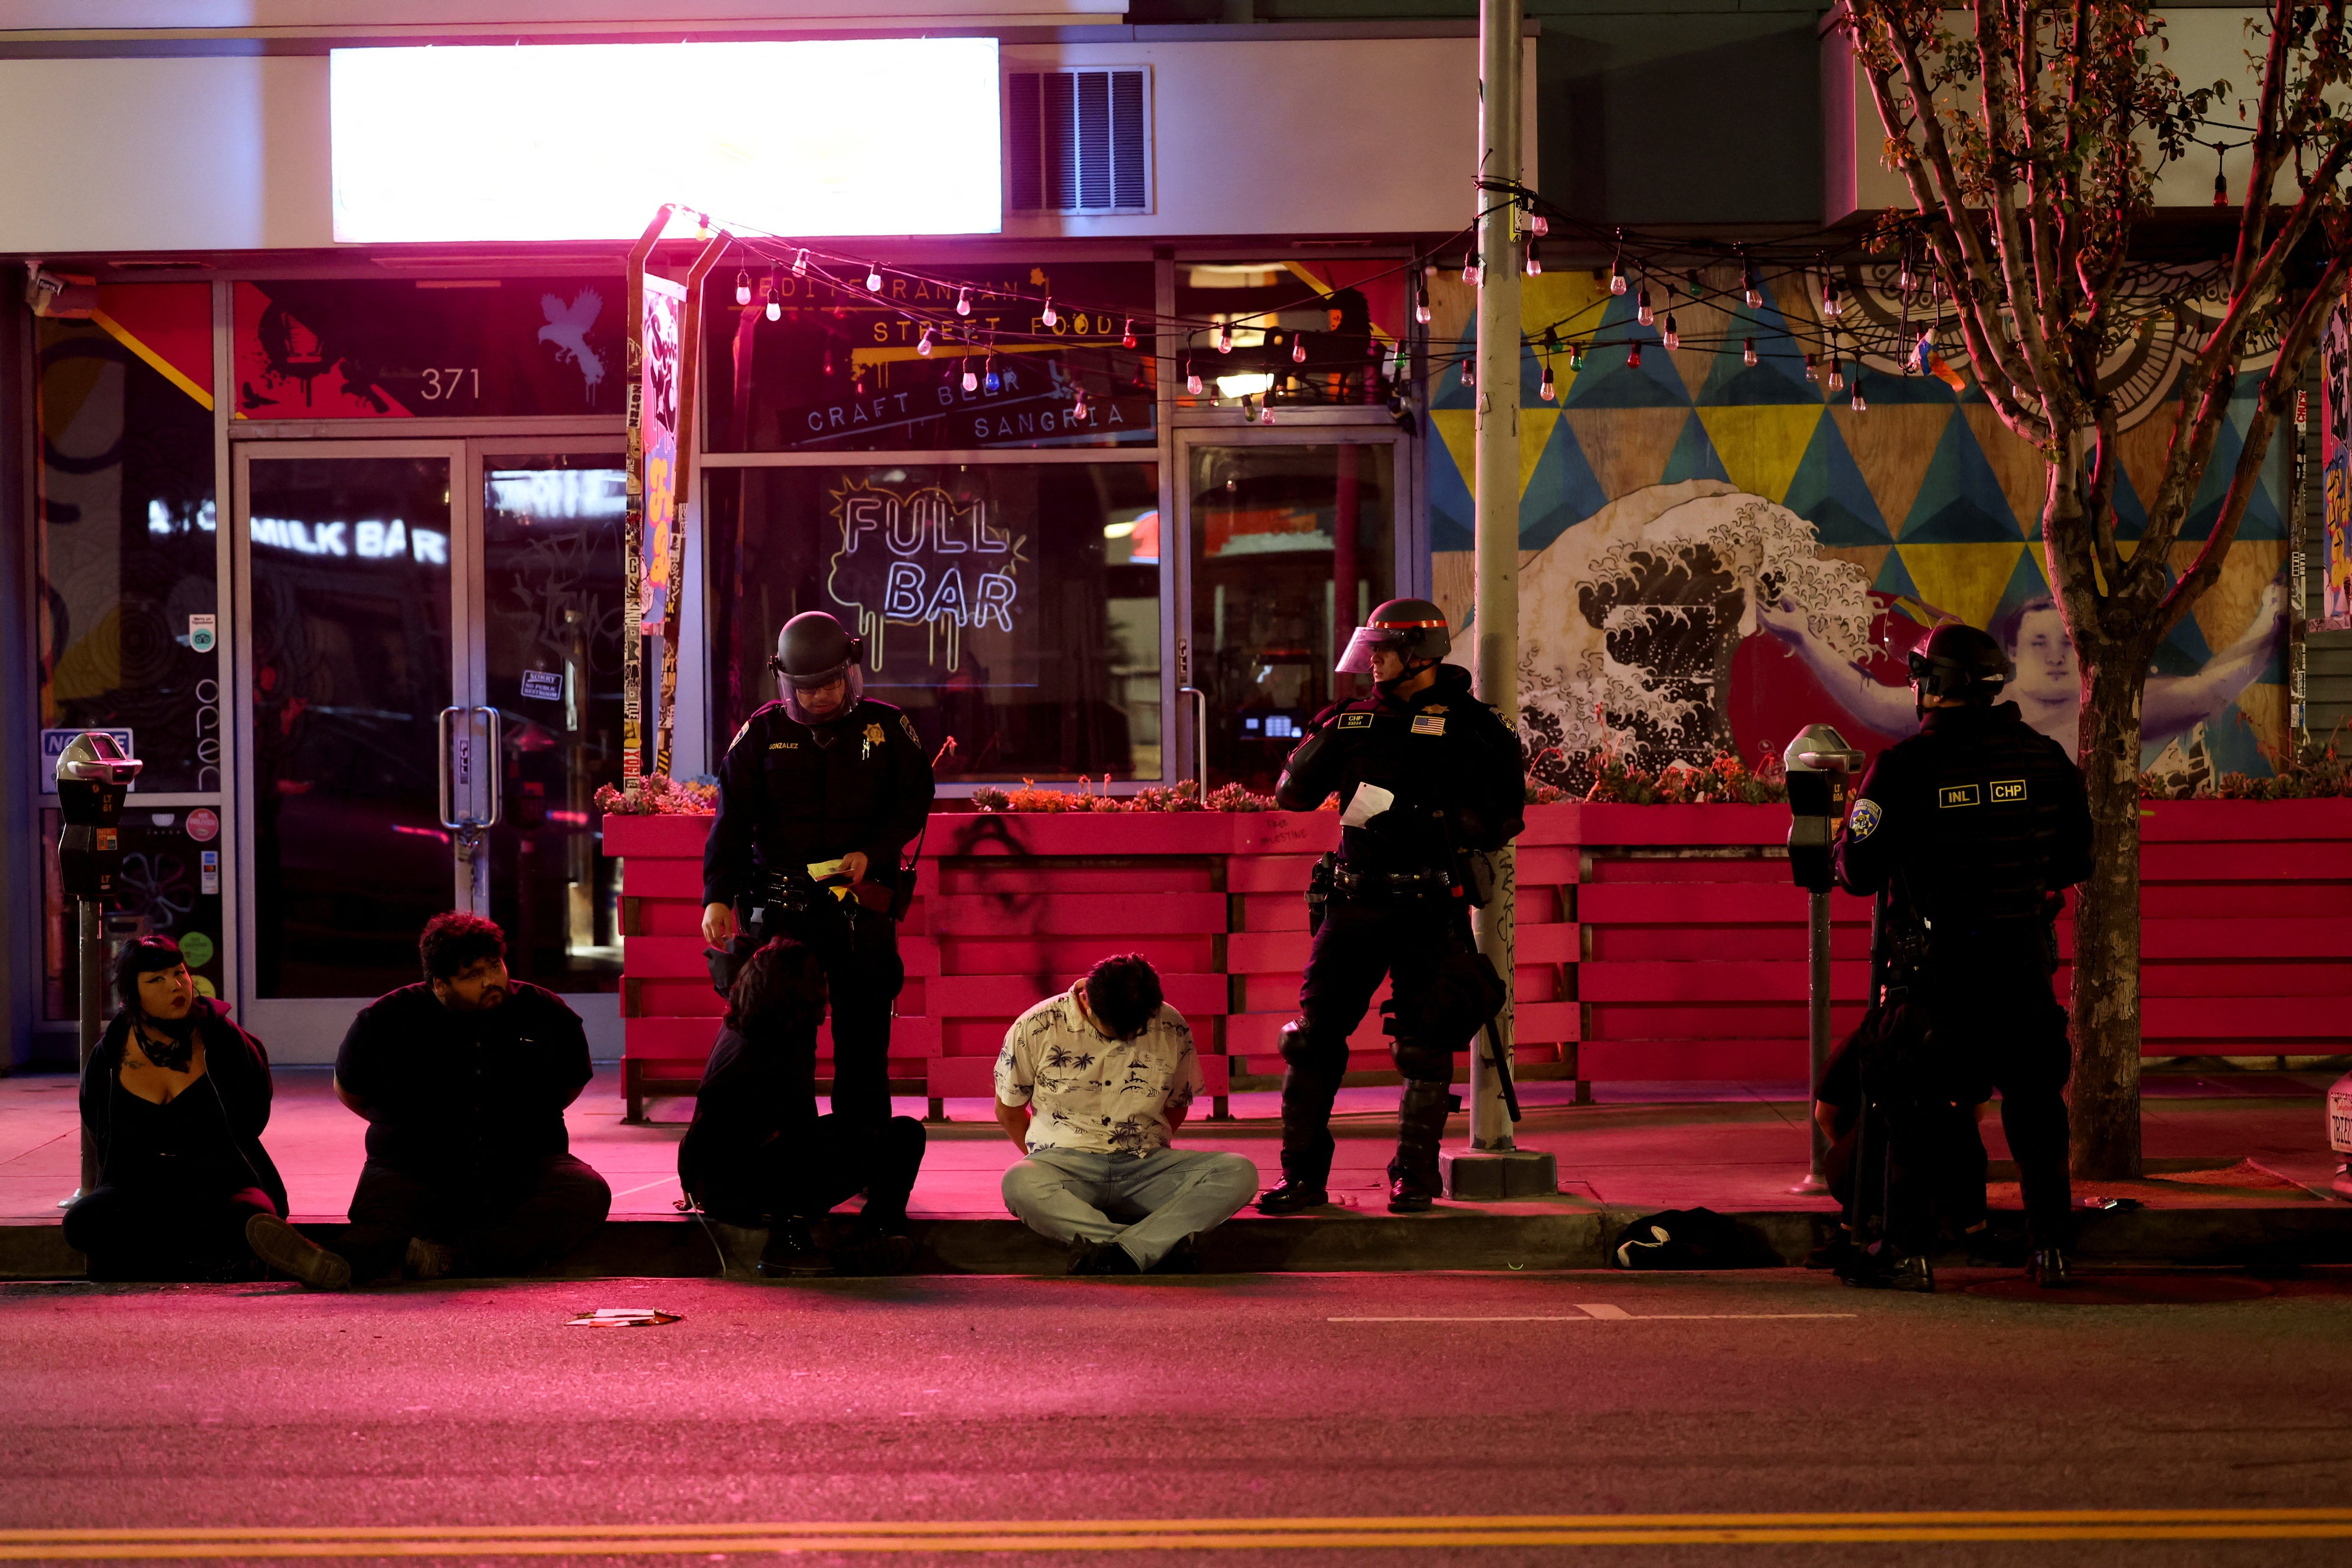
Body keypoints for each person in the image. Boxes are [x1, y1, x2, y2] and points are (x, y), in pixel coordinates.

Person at [1833, 621, 2093, 1291]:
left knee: (1910, 1104)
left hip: (1934, 981)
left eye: (1921, 677)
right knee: (2037, 1110)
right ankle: (2053, 1250)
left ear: (1936, 686)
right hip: (2022, 974)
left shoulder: (1901, 768)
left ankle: (1907, 1251)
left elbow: (1858, 871)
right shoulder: (2045, 760)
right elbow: (2076, 858)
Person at [1256, 599, 1527, 1216]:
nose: (1372, 660)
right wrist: (1322, 749)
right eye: (1372, 648)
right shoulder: (1353, 720)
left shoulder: (1474, 729)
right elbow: (1293, 795)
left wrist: (1427, 815)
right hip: (1353, 900)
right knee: (1311, 1039)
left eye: (1384, 649)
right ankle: (1301, 1178)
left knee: (1425, 1044)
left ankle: (1414, 1175)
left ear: (1420, 654)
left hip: (1431, 901)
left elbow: (1505, 816)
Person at [703, 609, 935, 1123]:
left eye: (829, 684)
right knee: (782, 1040)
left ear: (849, 671)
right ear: (785, 681)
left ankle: (864, 1155)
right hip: (782, 913)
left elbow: (913, 801)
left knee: (864, 1040)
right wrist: (717, 896)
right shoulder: (762, 732)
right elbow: (732, 821)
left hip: (858, 909)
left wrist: (873, 852)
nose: (818, 697)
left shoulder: (888, 726)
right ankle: (790, 1153)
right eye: (805, 689)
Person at [334, 912, 611, 1282]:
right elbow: (349, 1091)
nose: (490, 981)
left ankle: (454, 1259)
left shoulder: (544, 1012)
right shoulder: (385, 1021)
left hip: (521, 1163)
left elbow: (570, 1085)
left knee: (585, 1191)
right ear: (440, 985)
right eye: (472, 976)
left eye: (494, 966)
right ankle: (335, 1262)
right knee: (384, 1221)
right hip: (412, 1165)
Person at [64, 936, 348, 1288]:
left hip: (220, 1181)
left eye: (179, 972)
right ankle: (217, 1266)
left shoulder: (223, 1039)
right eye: (157, 980)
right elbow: (97, 1122)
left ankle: (172, 1262)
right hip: (139, 1186)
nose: (176, 985)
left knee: (250, 1216)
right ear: (132, 995)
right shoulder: (109, 1056)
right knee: (83, 1221)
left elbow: (253, 1114)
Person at [1759, 583, 2284, 753]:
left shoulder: (2109, 709)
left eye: (2067, 644)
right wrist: (1806, 638)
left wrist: (2268, 619)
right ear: (2010, 653)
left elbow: (2208, 690)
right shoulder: (1980, 710)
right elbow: (1872, 699)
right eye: (2039, 643)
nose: (2057, 656)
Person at [679, 937, 926, 1277]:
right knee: (903, 1135)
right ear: (800, 991)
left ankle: (868, 1236)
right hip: (745, 1191)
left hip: (722, 1182)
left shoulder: (747, 1027)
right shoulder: (771, 1051)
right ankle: (831, 1241)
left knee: (871, 1131)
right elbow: (789, 1139)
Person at [995, 954, 1257, 1275]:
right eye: (1116, 1030)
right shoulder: (1037, 1026)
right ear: (1086, 1000)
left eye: (1136, 1029)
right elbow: (1008, 1110)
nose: (1127, 1037)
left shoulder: (1170, 1024)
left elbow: (1176, 1105)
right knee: (1020, 1182)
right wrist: (1047, 1160)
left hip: (1146, 1165)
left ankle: (1118, 1253)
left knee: (1239, 1172)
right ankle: (1151, 1249)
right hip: (1067, 1165)